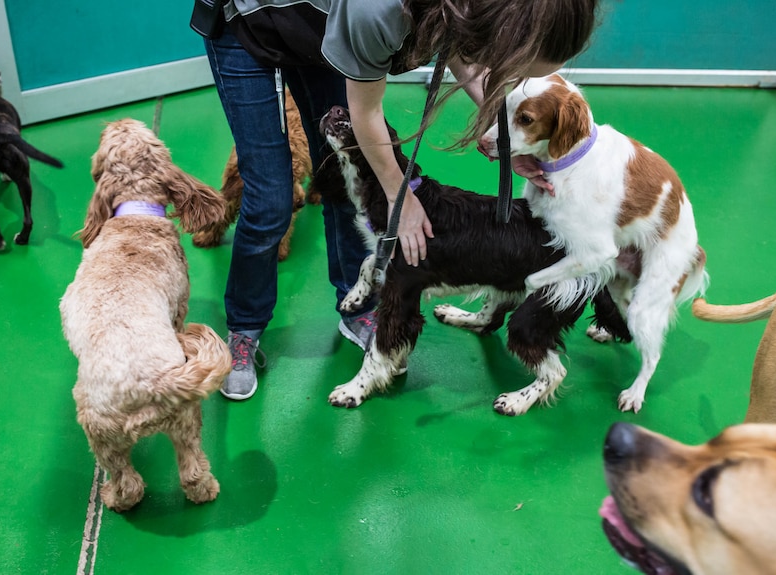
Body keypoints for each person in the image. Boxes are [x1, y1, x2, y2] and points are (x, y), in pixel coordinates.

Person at [197, 0, 599, 400]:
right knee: (269, 198)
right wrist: (399, 197)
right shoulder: (376, 10)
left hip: (321, 33)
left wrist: (509, 141)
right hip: (249, 25)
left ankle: (356, 308)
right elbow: (365, 113)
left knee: (339, 181)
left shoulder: (464, 8)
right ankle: (244, 329)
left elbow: (459, 49)